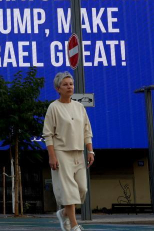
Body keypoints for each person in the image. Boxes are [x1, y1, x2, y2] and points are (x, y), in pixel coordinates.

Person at [42, 72, 94, 231]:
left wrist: (90, 151)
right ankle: (74, 225)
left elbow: (87, 130)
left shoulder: (79, 107)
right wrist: (52, 156)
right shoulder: (53, 107)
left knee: (82, 189)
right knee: (69, 190)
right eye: (65, 84)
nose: (69, 86)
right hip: (61, 152)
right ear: (58, 88)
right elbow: (48, 134)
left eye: (71, 83)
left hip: (79, 152)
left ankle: (64, 213)